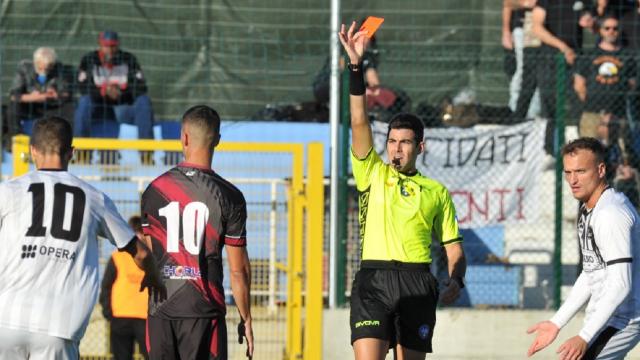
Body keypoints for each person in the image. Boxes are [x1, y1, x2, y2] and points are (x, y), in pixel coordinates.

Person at [339, 22, 467, 360]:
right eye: (392, 142)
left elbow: (453, 247)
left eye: (405, 143)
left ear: (419, 147)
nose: (396, 149)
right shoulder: (372, 172)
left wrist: (457, 279)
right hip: (374, 281)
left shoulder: (436, 191)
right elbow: (357, 120)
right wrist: (356, 66)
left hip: (417, 282)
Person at [0, 116, 164, 359]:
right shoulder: (94, 198)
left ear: (33, 151)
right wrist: (153, 276)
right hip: (58, 326)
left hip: (7, 319)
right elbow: (140, 252)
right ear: (72, 152)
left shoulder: (8, 191)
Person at [141, 105, 253, 360]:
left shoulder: (154, 190)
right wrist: (246, 319)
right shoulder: (230, 196)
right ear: (217, 141)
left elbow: (148, 255)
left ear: (184, 137)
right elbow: (239, 271)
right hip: (204, 310)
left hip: (161, 309)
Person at [527, 137, 640, 359]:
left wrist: (585, 336)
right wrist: (556, 323)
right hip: (608, 317)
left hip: (625, 318)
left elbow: (620, 284)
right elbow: (591, 273)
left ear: (600, 170)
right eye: (568, 172)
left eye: (580, 171)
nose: (573, 180)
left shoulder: (610, 214)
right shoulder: (590, 209)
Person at [532, 0, 594, 154]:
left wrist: (589, 22)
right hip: (550, 59)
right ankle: (550, 153)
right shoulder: (546, 2)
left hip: (575, 61)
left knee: (581, 105)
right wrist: (563, 48)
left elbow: (595, 22)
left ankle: (585, 151)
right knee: (550, 107)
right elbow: (537, 28)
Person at [74, 31, 154, 140]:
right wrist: (103, 91)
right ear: (100, 45)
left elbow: (141, 87)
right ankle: (80, 149)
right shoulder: (89, 60)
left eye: (113, 46)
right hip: (98, 108)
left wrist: (120, 91)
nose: (110, 50)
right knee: (84, 102)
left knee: (143, 101)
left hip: (123, 108)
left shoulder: (129, 59)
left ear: (118, 45)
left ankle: (146, 150)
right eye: (106, 46)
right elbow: (83, 88)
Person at [574, 14, 636, 138]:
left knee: (624, 153)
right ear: (601, 31)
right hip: (592, 112)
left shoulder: (628, 57)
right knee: (589, 151)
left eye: (615, 28)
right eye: (607, 28)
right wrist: (592, 103)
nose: (611, 31)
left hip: (619, 113)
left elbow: (632, 84)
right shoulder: (589, 55)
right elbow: (579, 85)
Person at [99, 215, 150, 360]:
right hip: (120, 317)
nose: (139, 236)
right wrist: (109, 313)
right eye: (136, 232)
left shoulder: (152, 259)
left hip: (145, 318)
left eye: (142, 232)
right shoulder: (117, 257)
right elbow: (106, 287)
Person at [7, 47, 73, 149]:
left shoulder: (58, 69)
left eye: (47, 69)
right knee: (13, 107)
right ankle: (16, 142)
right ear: (35, 63)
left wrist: (56, 95)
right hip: (29, 107)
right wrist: (32, 97)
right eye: (40, 68)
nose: (43, 71)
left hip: (50, 107)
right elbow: (14, 96)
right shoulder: (24, 68)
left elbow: (66, 94)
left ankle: (67, 143)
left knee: (70, 108)